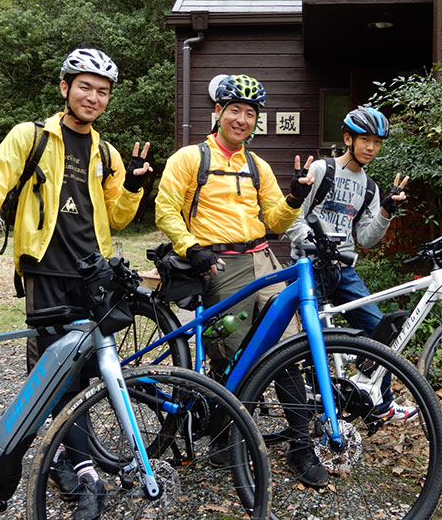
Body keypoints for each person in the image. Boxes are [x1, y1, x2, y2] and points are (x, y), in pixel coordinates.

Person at [0, 47, 152, 520]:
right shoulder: (29, 137)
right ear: (65, 88)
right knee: (60, 375)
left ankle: (61, 457)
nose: (94, 97)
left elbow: (114, 217)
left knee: (91, 370)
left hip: (94, 273)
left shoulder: (106, 153)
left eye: (103, 91)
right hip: (47, 270)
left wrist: (133, 187)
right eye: (85, 87)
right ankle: (84, 474)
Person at [153, 73, 331, 486]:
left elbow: (276, 220)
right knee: (233, 355)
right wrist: (189, 246)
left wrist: (293, 199)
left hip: (263, 259)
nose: (242, 119)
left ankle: (301, 446)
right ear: (217, 112)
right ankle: (224, 436)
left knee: (287, 347)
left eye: (250, 113)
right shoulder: (189, 158)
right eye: (235, 110)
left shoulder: (257, 165)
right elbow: (165, 209)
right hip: (218, 265)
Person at [286, 106, 417, 422]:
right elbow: (293, 218)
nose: (371, 148)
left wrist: (385, 210)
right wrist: (312, 240)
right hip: (308, 267)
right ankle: (316, 410)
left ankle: (380, 402)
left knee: (381, 330)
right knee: (311, 341)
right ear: (348, 138)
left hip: (343, 268)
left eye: (377, 142)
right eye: (365, 140)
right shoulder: (322, 169)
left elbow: (367, 238)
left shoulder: (369, 187)